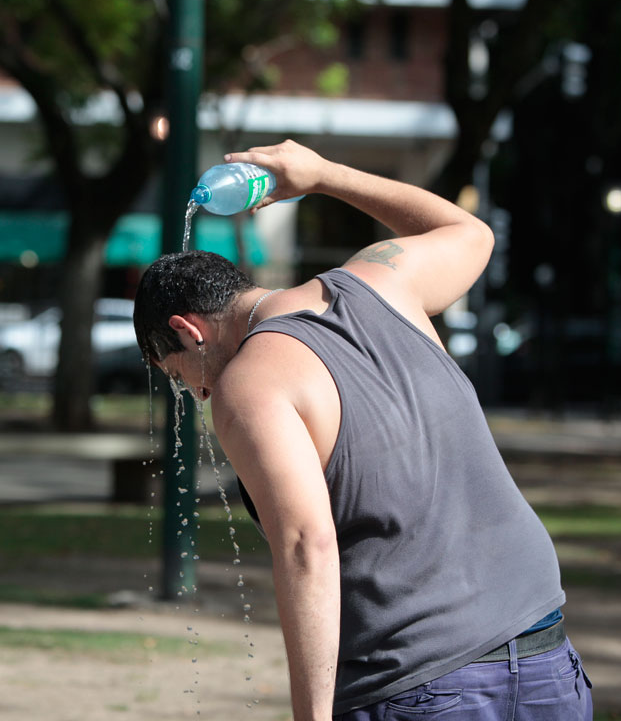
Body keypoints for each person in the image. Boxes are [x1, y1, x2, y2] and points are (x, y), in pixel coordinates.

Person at [133, 140, 592, 721]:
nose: (197, 394)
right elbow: (471, 232)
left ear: (189, 330)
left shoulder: (248, 384)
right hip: (545, 654)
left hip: (421, 684)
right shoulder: (380, 282)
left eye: (180, 376)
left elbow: (308, 547)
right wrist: (324, 175)